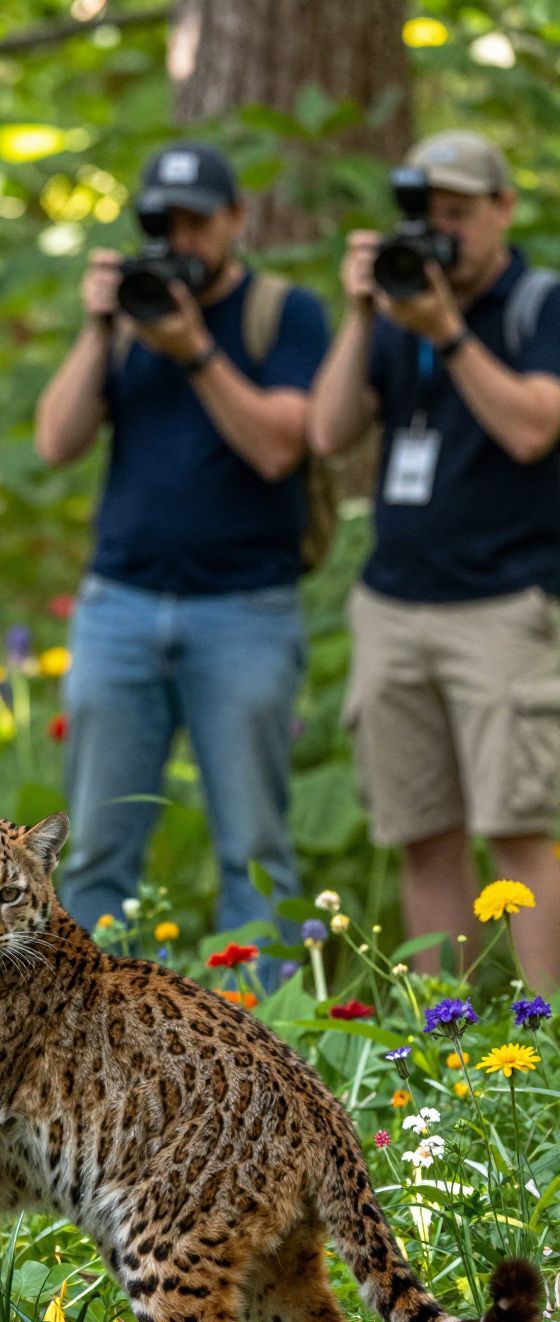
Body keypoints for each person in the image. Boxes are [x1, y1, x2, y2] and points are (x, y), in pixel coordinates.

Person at [35, 142, 329, 944]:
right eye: (162, 223)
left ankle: (267, 1036)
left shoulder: (285, 314)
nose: (180, 240)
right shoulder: (129, 318)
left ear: (237, 218)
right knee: (95, 849)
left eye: (197, 221)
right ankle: (72, 1035)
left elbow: (281, 446)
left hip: (244, 609)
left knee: (256, 851)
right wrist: (101, 328)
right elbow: (56, 442)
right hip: (118, 607)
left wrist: (194, 350)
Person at [309, 130, 560, 990]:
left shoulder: (538, 305)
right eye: (426, 216)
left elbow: (534, 428)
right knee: (423, 833)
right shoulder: (396, 305)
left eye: (457, 214)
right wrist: (360, 313)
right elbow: (327, 430)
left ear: (503, 209)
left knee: (521, 830)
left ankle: (548, 1044)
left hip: (504, 606)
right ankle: (445, 1042)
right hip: (393, 606)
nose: (440, 233)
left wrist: (448, 331)